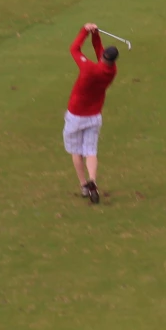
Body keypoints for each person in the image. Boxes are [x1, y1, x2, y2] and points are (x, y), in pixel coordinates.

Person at [64, 22, 118, 204]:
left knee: (76, 151)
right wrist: (95, 36)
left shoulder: (88, 68)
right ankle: (93, 181)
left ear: (103, 57)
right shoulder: (111, 71)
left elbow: (74, 49)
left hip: (76, 115)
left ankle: (83, 186)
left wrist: (84, 31)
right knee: (91, 151)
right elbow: (100, 51)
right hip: (94, 116)